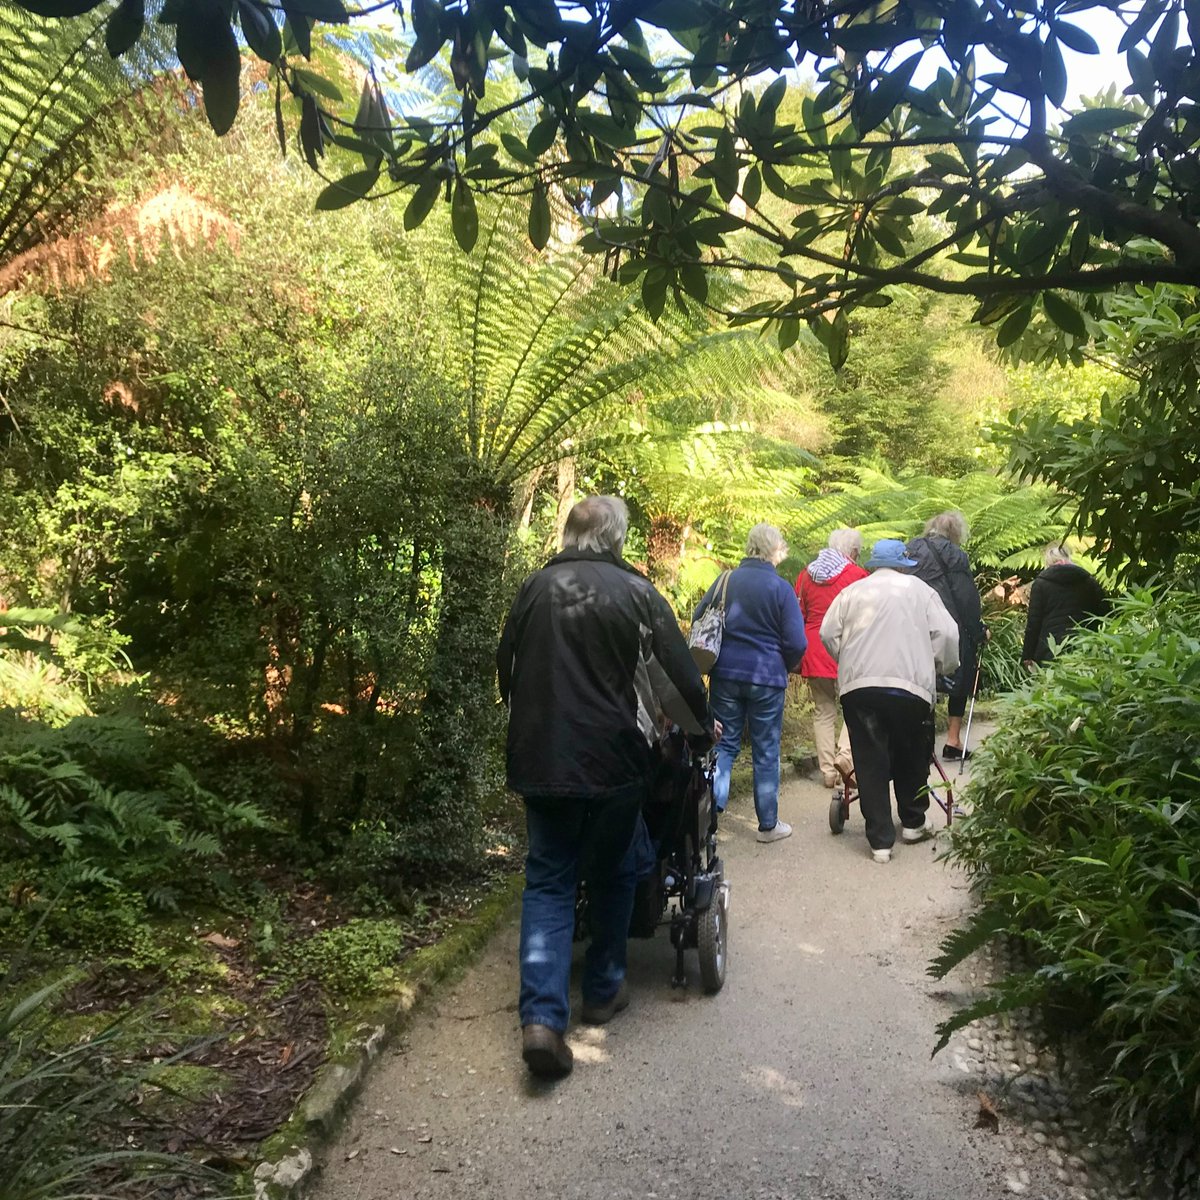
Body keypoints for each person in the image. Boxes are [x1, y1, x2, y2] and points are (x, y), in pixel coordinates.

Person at [497, 495, 715, 1080]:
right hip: (614, 763)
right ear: (617, 539)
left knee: (548, 877)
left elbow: (506, 670)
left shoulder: (533, 588)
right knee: (619, 865)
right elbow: (678, 681)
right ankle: (602, 988)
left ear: (569, 534)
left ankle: (542, 1020)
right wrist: (702, 727)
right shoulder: (640, 594)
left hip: (540, 759)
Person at [820, 539, 959, 864]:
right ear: (903, 564)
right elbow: (948, 634)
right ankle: (913, 822)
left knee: (869, 759)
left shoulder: (853, 592)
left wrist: (849, 659)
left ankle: (880, 841)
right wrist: (941, 666)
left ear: (873, 564)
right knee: (912, 750)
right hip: (910, 687)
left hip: (860, 689)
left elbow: (827, 633)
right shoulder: (920, 591)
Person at [693, 523, 807, 843]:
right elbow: (797, 641)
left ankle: (708, 820)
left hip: (725, 675)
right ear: (775, 551)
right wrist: (783, 664)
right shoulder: (781, 588)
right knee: (766, 750)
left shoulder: (725, 580)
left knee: (724, 744)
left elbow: (700, 619)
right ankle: (768, 826)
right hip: (768, 678)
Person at [906, 512, 985, 761]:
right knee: (959, 679)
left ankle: (924, 743)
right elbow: (966, 597)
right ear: (955, 533)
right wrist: (978, 629)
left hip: (916, 625)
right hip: (951, 625)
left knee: (924, 680)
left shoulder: (911, 549)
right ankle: (953, 740)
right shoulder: (956, 555)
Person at [794, 528, 869, 788]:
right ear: (852, 552)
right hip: (845, 648)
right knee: (855, 707)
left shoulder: (806, 574)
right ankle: (845, 758)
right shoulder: (856, 575)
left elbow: (798, 613)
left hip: (814, 649)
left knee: (823, 711)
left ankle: (827, 771)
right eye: (857, 553)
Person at [1022, 544, 1109, 666]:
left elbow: (1034, 623)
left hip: (1051, 650)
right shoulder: (1088, 580)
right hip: (1086, 645)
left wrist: (1027, 655)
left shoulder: (1041, 584)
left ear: (1048, 561)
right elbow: (1105, 613)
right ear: (1069, 557)